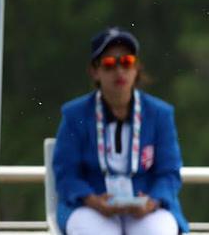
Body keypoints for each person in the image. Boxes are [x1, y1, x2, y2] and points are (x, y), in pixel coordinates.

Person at [52, 27, 188, 235]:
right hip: (90, 207)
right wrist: (92, 200)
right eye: (108, 64)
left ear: (137, 68)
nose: (119, 71)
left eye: (127, 62)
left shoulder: (160, 114)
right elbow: (66, 173)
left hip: (146, 208)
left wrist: (152, 201)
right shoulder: (74, 114)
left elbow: (169, 173)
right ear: (94, 71)